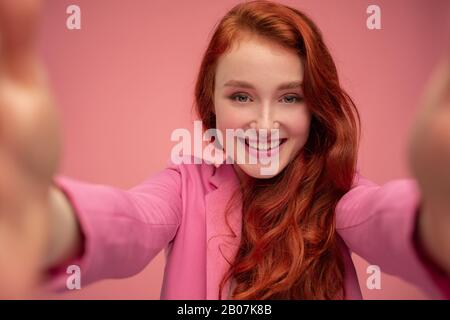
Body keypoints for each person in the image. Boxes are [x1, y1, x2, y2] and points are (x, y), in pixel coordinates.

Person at [0, 0, 449, 299]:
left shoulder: (340, 192)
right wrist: (43, 218)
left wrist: (436, 220)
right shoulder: (184, 185)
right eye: (241, 97)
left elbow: (382, 218)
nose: (266, 123)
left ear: (314, 107)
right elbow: (131, 219)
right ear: (210, 103)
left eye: (290, 97)